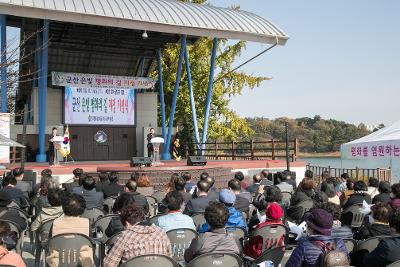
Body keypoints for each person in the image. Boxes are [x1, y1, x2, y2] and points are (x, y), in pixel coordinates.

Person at [103, 204, 172, 267]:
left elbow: (108, 264)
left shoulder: (125, 236)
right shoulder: (161, 233)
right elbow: (169, 259)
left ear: (127, 223)